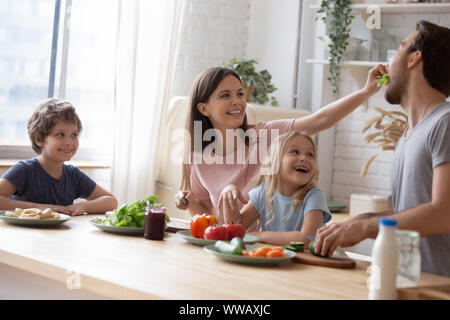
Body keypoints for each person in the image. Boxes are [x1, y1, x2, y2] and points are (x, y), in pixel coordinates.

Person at [313, 20, 450, 277]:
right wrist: (359, 221)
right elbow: (411, 211)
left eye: (399, 48)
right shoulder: (409, 136)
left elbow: (443, 213)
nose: (389, 61)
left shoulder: (445, 123)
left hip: (439, 287)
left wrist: (366, 229)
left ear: (414, 59)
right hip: (408, 283)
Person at [175, 64, 386, 230]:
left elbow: (319, 121)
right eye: (225, 95)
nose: (237, 101)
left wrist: (366, 92)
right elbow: (204, 217)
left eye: (240, 94)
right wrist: (188, 202)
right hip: (227, 244)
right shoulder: (199, 159)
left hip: (268, 244)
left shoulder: (266, 135)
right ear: (203, 108)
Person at [0, 98, 118, 216]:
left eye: (74, 135)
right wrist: (39, 208)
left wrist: (82, 206)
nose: (69, 142)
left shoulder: (73, 175)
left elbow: (111, 201)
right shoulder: (24, 170)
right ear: (39, 139)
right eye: (60, 134)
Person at [223, 131, 331, 245]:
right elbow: (236, 229)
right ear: (275, 161)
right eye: (295, 152)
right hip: (271, 258)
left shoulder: (314, 196)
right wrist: (228, 198)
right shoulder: (263, 192)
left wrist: (261, 235)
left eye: (310, 154)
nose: (304, 158)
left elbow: (307, 238)